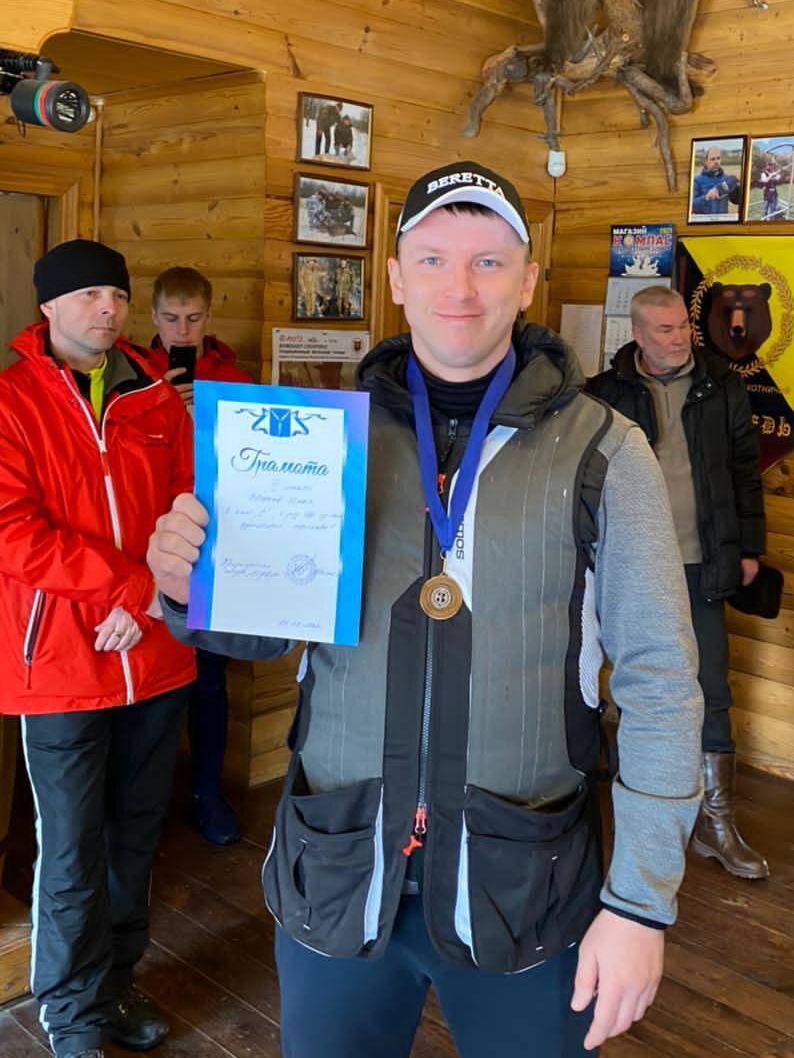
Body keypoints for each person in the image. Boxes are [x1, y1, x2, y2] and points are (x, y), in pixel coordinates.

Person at [147, 161, 703, 1057]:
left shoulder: (606, 448)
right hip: (338, 870)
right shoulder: (326, 436)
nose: (460, 286)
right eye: (434, 258)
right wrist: (183, 582)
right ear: (397, 278)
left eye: (489, 262)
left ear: (527, 279)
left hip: (524, 885)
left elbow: (663, 680)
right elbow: (250, 629)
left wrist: (641, 903)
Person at [0, 240, 196, 1058]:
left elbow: (194, 510)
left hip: (154, 656)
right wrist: (129, 589)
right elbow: (13, 531)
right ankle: (72, 1014)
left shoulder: (158, 399)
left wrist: (149, 606)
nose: (107, 308)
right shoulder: (11, 400)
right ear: (47, 308)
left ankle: (116, 984)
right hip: (61, 668)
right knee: (71, 848)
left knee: (134, 836)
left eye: (115, 293)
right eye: (86, 295)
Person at [586, 286, 768, 881]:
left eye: (681, 328)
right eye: (663, 330)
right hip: (622, 560)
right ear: (637, 335)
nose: (678, 338)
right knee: (613, 683)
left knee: (710, 686)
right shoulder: (603, 394)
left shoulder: (723, 387)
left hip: (699, 560)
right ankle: (620, 806)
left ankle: (715, 824)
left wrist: (749, 548)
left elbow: (745, 472)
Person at [147, 266, 252, 846]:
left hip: (216, 548)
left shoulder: (233, 378)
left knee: (210, 683)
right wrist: (163, 404)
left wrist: (200, 412)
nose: (181, 330)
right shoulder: (133, 378)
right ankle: (151, 801)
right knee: (157, 691)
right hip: (153, 547)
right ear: (153, 318)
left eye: (192, 319)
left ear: (208, 318)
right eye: (169, 318)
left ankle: (207, 794)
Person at [691, 146, 741, 216]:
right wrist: (706, 197)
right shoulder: (696, 180)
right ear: (706, 161)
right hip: (704, 224)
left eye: (718, 158)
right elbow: (692, 206)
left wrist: (739, 186)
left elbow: (736, 200)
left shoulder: (727, 179)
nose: (716, 161)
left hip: (722, 223)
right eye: (712, 159)